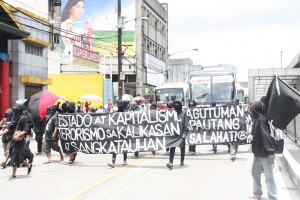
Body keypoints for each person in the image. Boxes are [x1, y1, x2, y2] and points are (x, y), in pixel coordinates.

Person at [250, 100, 277, 200]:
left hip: (265, 154)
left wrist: (270, 152)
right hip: (257, 153)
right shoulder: (257, 119)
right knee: (255, 174)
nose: (251, 110)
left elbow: (266, 136)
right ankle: (257, 194)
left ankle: (273, 197)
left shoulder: (261, 120)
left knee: (269, 175)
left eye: (252, 108)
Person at [9, 104, 32, 178]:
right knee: (18, 157)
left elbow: (25, 130)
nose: (14, 108)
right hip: (13, 140)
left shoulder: (24, 118)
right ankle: (28, 165)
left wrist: (18, 136)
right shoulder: (14, 118)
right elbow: (10, 128)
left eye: (15, 108)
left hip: (19, 141)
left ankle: (14, 173)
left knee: (14, 155)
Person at [166, 100, 188, 169]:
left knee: (182, 148)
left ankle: (182, 160)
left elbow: (186, 123)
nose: (176, 107)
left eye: (177, 105)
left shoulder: (184, 112)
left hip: (182, 133)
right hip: (174, 133)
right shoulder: (171, 113)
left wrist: (185, 133)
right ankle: (171, 162)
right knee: (172, 148)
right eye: (175, 105)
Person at [107, 100, 129, 168]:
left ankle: (115, 161)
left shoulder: (116, 113)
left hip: (121, 132)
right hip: (119, 132)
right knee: (121, 146)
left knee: (118, 146)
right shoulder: (126, 113)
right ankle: (120, 161)